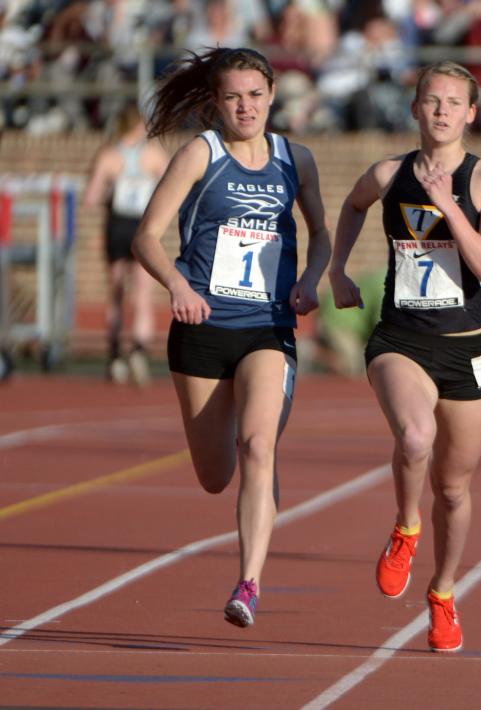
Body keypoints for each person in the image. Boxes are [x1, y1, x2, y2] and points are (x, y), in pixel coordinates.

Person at [131, 47, 332, 628]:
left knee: (258, 447)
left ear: (272, 95)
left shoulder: (297, 158)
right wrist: (176, 284)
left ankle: (248, 584)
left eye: (255, 95)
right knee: (216, 476)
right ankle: (254, 489)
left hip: (267, 327)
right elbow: (147, 236)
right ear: (216, 103)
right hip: (201, 327)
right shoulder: (202, 154)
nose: (245, 107)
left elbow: (320, 232)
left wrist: (310, 279)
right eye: (232, 97)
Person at [329, 61, 481, 654]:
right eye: (431, 101)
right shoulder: (388, 174)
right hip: (401, 340)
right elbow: (353, 207)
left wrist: (449, 206)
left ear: (471, 114)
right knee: (414, 437)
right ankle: (406, 527)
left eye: (453, 102)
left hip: (467, 348)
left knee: (455, 491)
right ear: (414, 109)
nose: (441, 111)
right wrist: (336, 269)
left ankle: (443, 590)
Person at [82, 102, 169, 385]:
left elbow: (91, 197)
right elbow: (173, 187)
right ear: (137, 125)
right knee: (143, 293)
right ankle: (139, 351)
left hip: (117, 226)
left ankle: (116, 355)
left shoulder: (108, 156)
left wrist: (112, 187)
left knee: (117, 292)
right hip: (142, 228)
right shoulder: (154, 154)